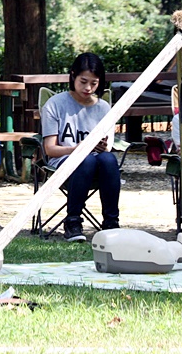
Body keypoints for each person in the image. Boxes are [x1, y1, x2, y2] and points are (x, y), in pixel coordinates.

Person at [41, 52, 122, 242]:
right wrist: (79, 148)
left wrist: (101, 146)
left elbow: (108, 147)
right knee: (85, 160)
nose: (88, 88)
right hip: (64, 162)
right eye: (83, 81)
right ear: (73, 76)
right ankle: (73, 221)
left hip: (98, 163)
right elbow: (50, 149)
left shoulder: (103, 108)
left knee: (108, 159)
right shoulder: (55, 104)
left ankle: (111, 223)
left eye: (94, 83)